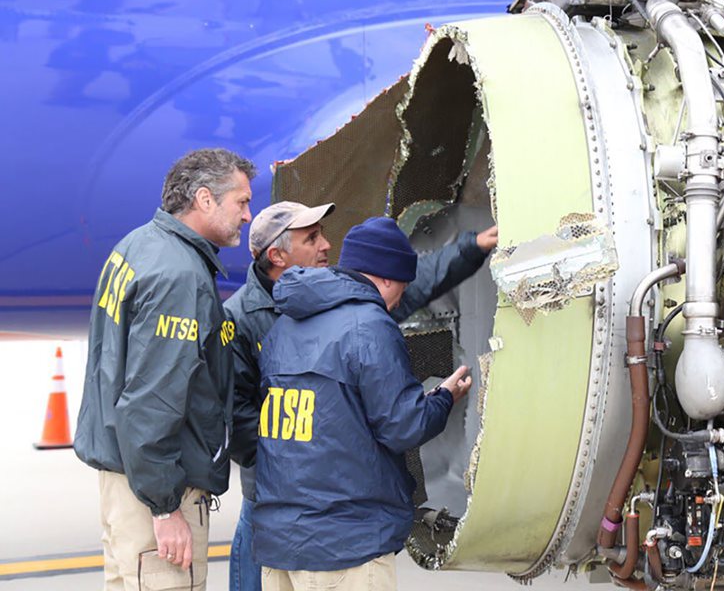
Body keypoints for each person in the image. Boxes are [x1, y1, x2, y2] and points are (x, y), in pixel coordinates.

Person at [253, 217, 491, 590]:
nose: (401, 298)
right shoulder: (370, 325)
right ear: (385, 279)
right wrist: (443, 398)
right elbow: (403, 427)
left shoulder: (285, 324)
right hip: (344, 545)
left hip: (280, 544)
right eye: (403, 285)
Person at [75, 148, 256, 591]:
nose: (248, 216)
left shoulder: (138, 244)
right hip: (153, 489)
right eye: (242, 202)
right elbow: (152, 400)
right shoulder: (179, 276)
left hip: (122, 476)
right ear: (205, 199)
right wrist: (164, 508)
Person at [225, 201, 336, 591]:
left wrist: (468, 249)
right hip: (271, 496)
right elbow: (236, 418)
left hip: (320, 492)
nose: (326, 245)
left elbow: (399, 290)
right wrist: (293, 457)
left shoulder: (329, 297)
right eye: (312, 238)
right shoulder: (238, 318)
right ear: (278, 256)